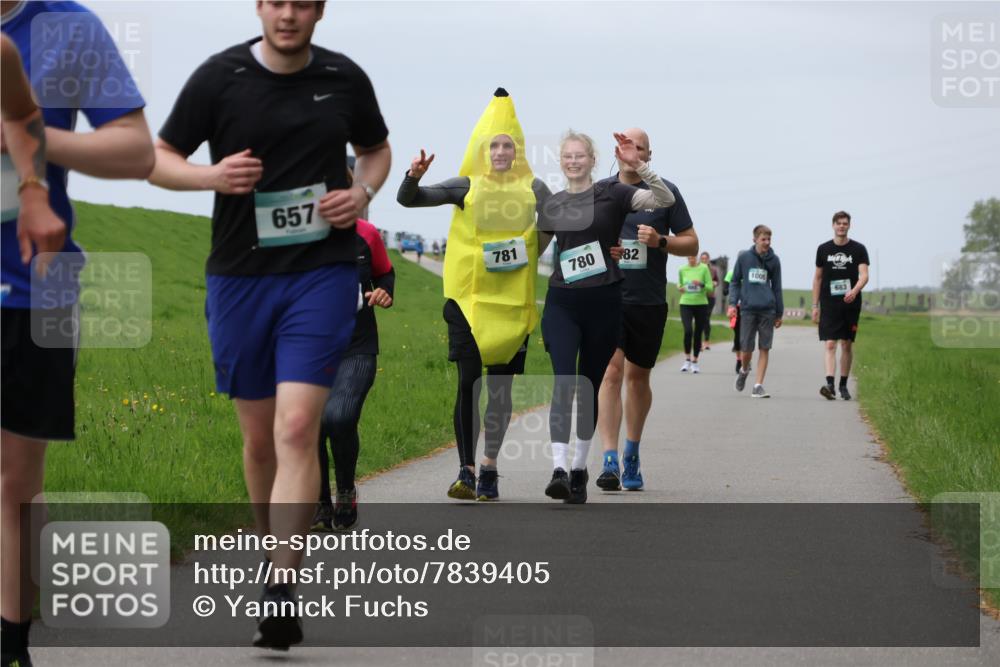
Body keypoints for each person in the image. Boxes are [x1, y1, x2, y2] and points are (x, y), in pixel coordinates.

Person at [149, 0, 390, 651]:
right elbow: (158, 157)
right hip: (240, 278)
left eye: (301, 3)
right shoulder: (219, 77)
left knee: (295, 426)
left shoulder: (344, 78)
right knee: (259, 441)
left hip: (322, 273)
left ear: (319, 11)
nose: (288, 14)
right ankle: (273, 552)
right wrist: (211, 175)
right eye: (276, 2)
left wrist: (361, 194)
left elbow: (376, 151)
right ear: (260, 7)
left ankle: (282, 586)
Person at [2, 3, 155, 665]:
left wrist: (25, 132)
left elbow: (137, 150)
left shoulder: (69, 27)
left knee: (15, 482)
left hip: (40, 279)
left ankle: (11, 641)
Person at [397, 88, 550, 501]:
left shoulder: (534, 187)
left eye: (508, 145)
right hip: (466, 302)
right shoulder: (466, 184)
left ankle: (489, 469)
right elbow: (409, 201)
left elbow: (561, 220)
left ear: (518, 151)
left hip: (512, 306)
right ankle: (465, 470)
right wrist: (413, 175)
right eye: (494, 145)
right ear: (482, 150)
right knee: (469, 384)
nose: (501, 151)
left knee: (499, 391)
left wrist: (536, 247)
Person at [539, 130, 675, 504]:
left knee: (588, 385)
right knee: (564, 382)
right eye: (567, 155)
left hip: (603, 302)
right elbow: (532, 249)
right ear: (560, 160)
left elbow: (663, 199)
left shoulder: (613, 193)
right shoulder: (553, 204)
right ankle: (559, 469)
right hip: (562, 301)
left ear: (593, 159)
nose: (573, 160)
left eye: (580, 155)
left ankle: (581, 469)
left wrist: (638, 166)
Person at [594, 128, 697, 492]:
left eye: (640, 147)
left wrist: (661, 241)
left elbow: (691, 242)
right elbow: (580, 240)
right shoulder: (601, 192)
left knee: (638, 378)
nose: (632, 151)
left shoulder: (664, 193)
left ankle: (631, 452)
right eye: (627, 145)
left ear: (649, 156)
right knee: (610, 373)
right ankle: (608, 459)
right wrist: (606, 251)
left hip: (648, 300)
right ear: (616, 152)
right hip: (608, 295)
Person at [311, 217, 394, 532]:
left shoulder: (366, 233)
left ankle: (345, 489)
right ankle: (320, 502)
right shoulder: (287, 233)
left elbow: (384, 273)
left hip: (356, 346)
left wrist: (385, 291)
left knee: (339, 416)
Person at [813, 211, 869, 400]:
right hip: (829, 303)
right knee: (830, 343)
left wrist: (854, 291)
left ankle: (843, 384)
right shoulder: (823, 249)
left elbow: (864, 275)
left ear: (849, 226)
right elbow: (818, 278)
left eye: (845, 223)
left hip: (850, 303)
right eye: (839, 223)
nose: (842, 226)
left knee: (846, 344)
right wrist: (815, 305)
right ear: (833, 225)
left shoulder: (859, 249)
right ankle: (830, 384)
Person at [727, 225, 783, 398]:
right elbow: (735, 281)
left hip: (768, 310)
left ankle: (758, 386)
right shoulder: (744, 258)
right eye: (763, 239)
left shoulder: (774, 260)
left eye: (769, 239)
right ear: (755, 239)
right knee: (746, 348)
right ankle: (744, 370)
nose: (766, 243)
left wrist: (779, 312)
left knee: (764, 348)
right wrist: (731, 304)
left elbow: (777, 288)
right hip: (748, 309)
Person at [677, 254, 714, 374]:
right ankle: (687, 359)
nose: (691, 260)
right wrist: (680, 288)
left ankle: (695, 361)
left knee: (698, 332)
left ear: (696, 257)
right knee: (688, 331)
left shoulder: (704, 268)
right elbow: (680, 284)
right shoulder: (682, 269)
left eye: (693, 257)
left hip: (701, 304)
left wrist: (701, 284)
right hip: (685, 303)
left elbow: (710, 287)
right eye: (688, 258)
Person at [723, 265, 745, 375]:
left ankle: (745, 358)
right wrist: (726, 289)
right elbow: (726, 285)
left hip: (748, 307)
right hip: (735, 307)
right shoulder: (732, 272)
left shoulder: (749, 272)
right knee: (737, 334)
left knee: (746, 335)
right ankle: (739, 360)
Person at [700, 251, 719, 350]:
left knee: (706, 318)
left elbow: (717, 281)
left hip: (710, 297)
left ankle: (706, 341)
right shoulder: (697, 269)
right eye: (702, 258)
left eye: (705, 258)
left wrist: (714, 283)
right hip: (698, 297)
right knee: (700, 319)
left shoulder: (713, 270)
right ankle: (699, 342)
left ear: (708, 259)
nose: (704, 260)